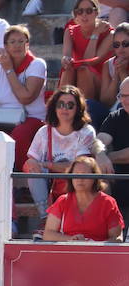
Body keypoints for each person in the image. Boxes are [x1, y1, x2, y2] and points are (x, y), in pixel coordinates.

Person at [24, 86, 100, 220]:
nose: (65, 109)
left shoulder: (86, 131)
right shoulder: (43, 132)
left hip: (77, 182)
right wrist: (32, 163)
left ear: (78, 109)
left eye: (70, 105)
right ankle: (45, 217)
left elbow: (80, 167)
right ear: (54, 107)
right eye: (61, 104)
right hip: (51, 184)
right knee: (32, 170)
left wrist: (47, 165)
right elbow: (31, 161)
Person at [0, 25, 46, 134]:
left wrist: (9, 70)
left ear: (27, 44)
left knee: (19, 134)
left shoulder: (37, 64)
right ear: (5, 46)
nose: (17, 45)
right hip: (1, 119)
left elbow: (26, 98)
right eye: (12, 42)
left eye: (21, 41)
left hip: (31, 119)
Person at [42, 155, 124, 241]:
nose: (80, 179)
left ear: (95, 177)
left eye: (85, 174)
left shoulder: (108, 202)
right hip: (70, 252)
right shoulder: (62, 201)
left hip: (99, 253)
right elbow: (48, 234)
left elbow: (116, 238)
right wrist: (71, 239)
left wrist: (94, 245)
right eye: (76, 174)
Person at [61, 0, 113, 106]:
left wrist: (95, 33)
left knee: (83, 70)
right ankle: (62, 106)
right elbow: (66, 56)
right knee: (68, 69)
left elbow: (90, 60)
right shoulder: (70, 32)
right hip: (76, 75)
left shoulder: (109, 33)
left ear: (96, 13)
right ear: (75, 14)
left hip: (102, 82)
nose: (84, 15)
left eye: (89, 11)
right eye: (80, 11)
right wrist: (65, 60)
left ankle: (83, 111)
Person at [98, 76, 129, 225]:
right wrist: (100, 154)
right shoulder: (115, 117)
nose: (125, 100)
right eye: (122, 96)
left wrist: (108, 156)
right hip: (120, 184)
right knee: (97, 168)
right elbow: (99, 140)